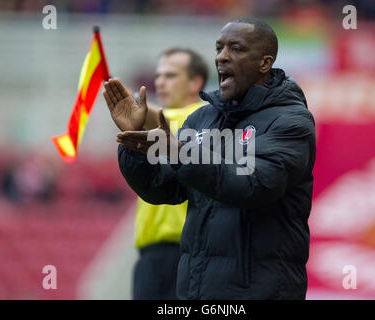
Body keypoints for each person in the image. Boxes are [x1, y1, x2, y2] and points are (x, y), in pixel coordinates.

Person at [104, 17, 316, 299]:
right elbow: (163, 188)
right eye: (219, 48)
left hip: (262, 293)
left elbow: (254, 184)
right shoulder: (203, 118)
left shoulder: (290, 121)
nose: (222, 57)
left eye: (236, 49)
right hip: (197, 293)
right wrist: (134, 141)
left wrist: (180, 152)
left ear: (265, 64)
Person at [106, 48, 208, 299]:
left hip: (183, 250)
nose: (160, 81)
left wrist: (132, 107)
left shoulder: (202, 119)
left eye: (171, 75)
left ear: (196, 82)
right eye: (158, 75)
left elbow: (158, 117)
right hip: (153, 252)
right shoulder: (169, 123)